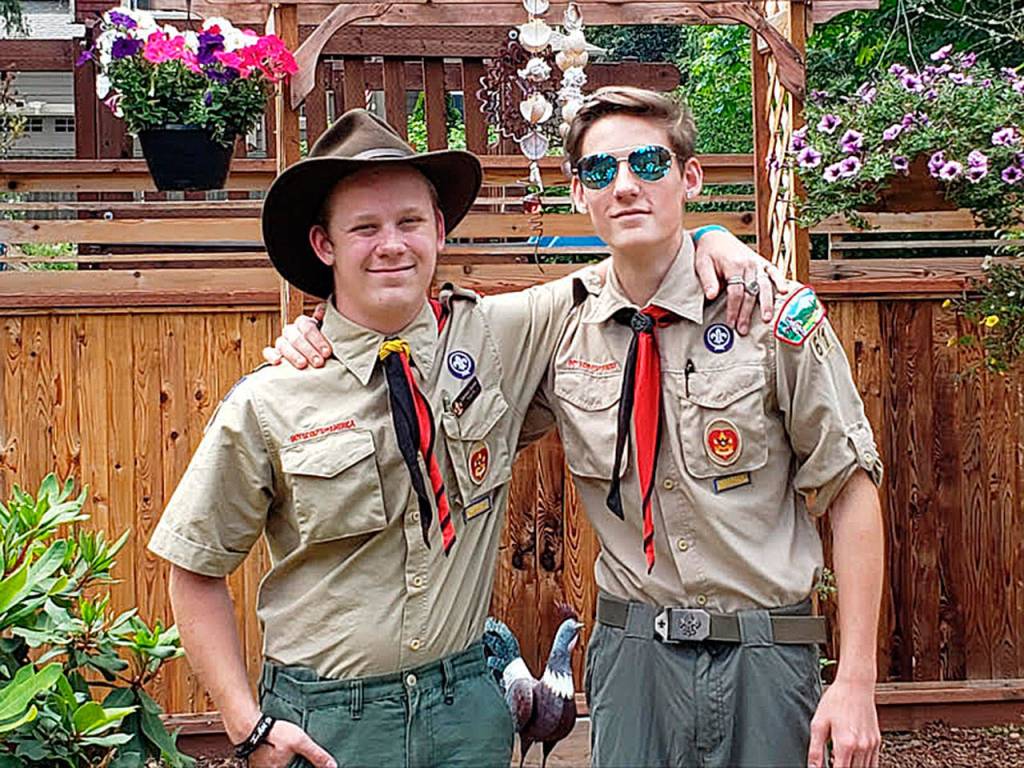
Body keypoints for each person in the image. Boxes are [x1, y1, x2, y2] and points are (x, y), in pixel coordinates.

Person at [276, 89, 886, 768]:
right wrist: (319, 332)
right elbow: (408, 338)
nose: (624, 186)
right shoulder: (557, 325)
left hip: (765, 654)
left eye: (648, 164)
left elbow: (850, 486)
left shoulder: (768, 315)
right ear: (578, 192)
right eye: (600, 171)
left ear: (690, 177)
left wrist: (856, 680)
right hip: (634, 658)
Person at [148, 107, 773, 768]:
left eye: (410, 222)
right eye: (365, 228)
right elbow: (194, 569)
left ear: (439, 230)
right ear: (324, 245)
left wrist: (711, 237)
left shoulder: (499, 337)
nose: (392, 245)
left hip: (465, 712)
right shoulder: (272, 396)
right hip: (328, 721)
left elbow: (634, 267)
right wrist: (247, 726)